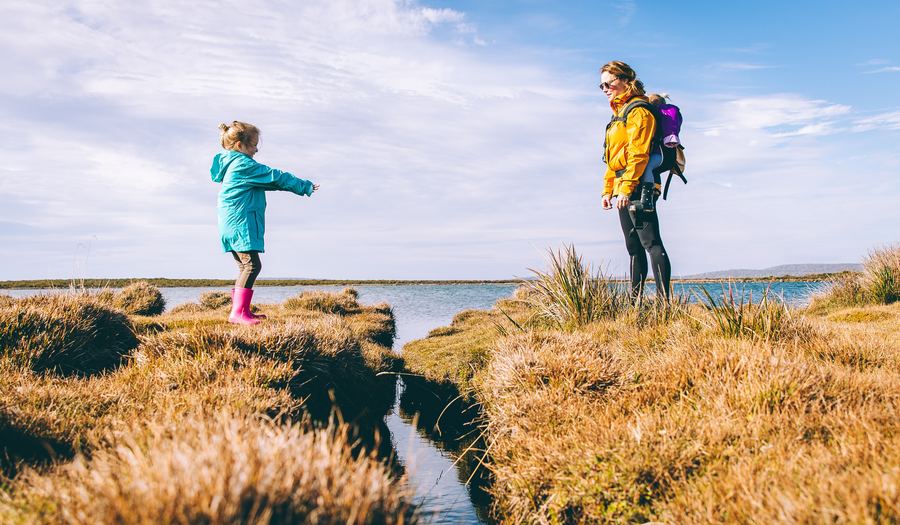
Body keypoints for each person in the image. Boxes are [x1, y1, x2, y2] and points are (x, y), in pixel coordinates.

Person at [211, 121, 319, 325]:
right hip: (240, 222)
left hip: (230, 223)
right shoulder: (243, 165)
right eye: (253, 144)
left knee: (244, 266)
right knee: (252, 265)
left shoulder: (233, 164)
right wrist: (304, 186)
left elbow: (271, 183)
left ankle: (242, 311)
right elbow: (274, 177)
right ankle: (238, 313)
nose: (256, 149)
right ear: (239, 146)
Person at [599, 61, 672, 301]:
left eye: (608, 83)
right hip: (623, 187)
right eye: (601, 86)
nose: (605, 89)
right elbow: (613, 160)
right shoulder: (617, 114)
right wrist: (607, 191)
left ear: (625, 80)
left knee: (651, 243)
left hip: (641, 184)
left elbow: (638, 154)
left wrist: (627, 188)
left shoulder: (638, 111)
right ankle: (634, 303)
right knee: (633, 248)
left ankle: (664, 305)